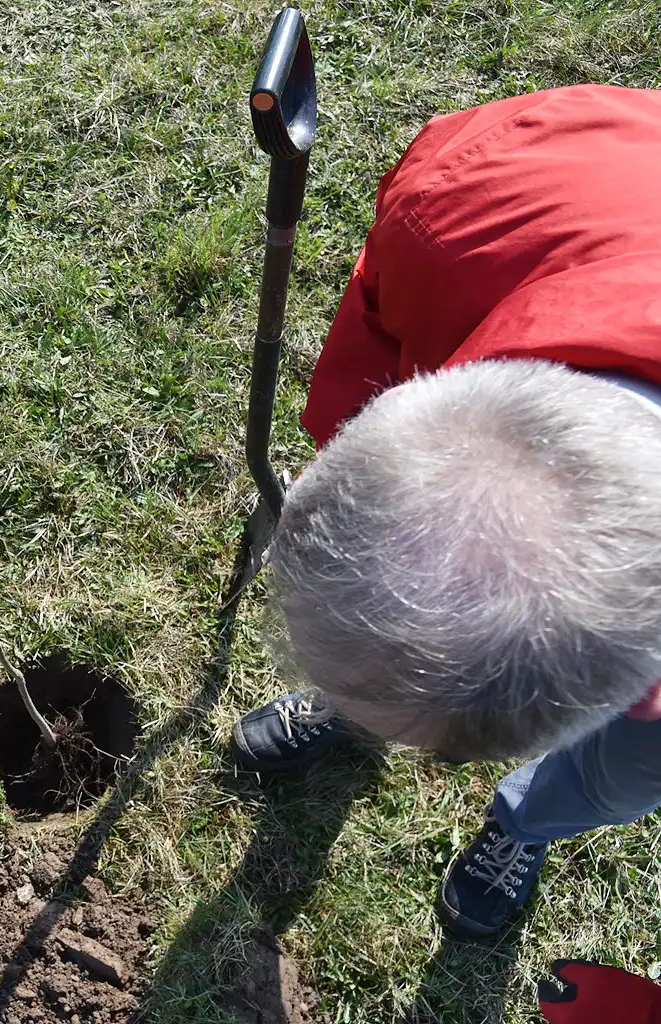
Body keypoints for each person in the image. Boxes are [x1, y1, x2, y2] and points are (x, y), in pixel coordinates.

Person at [229, 85, 661, 937]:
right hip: (573, 189)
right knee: (383, 630)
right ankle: (358, 695)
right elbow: (368, 359)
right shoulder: (458, 208)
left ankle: (526, 822)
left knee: (627, 773)